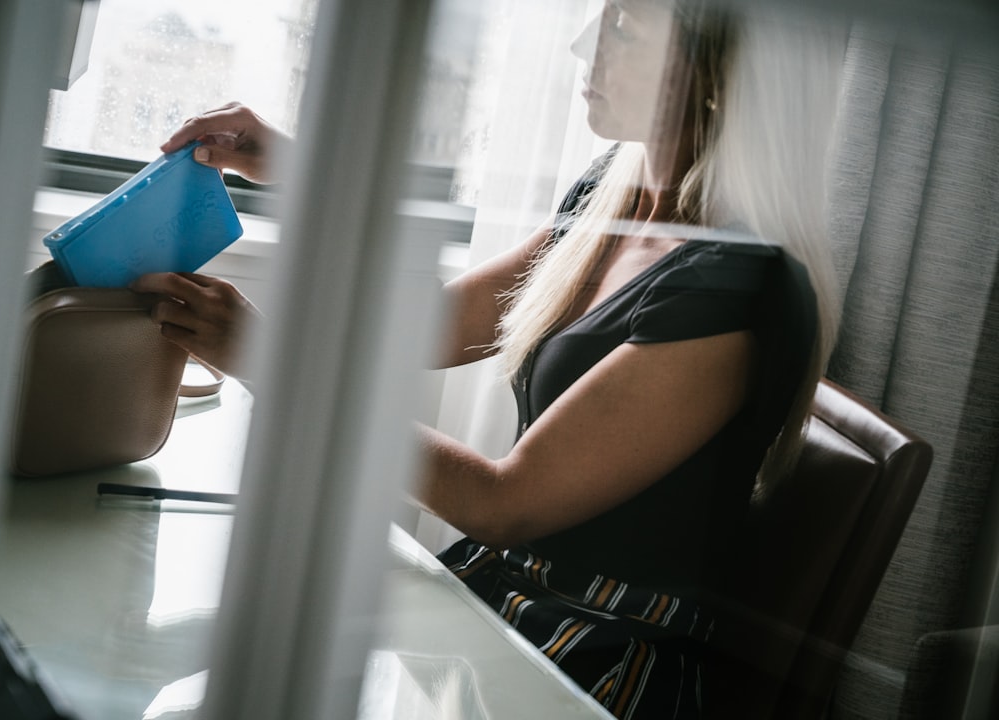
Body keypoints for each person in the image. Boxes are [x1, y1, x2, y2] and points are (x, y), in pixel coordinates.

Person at [132, 1, 844, 716]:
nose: (582, 46)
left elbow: (504, 505)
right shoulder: (616, 197)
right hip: (506, 606)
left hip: (596, 665)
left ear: (717, 72)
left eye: (623, 27)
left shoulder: (738, 291)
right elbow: (427, 327)